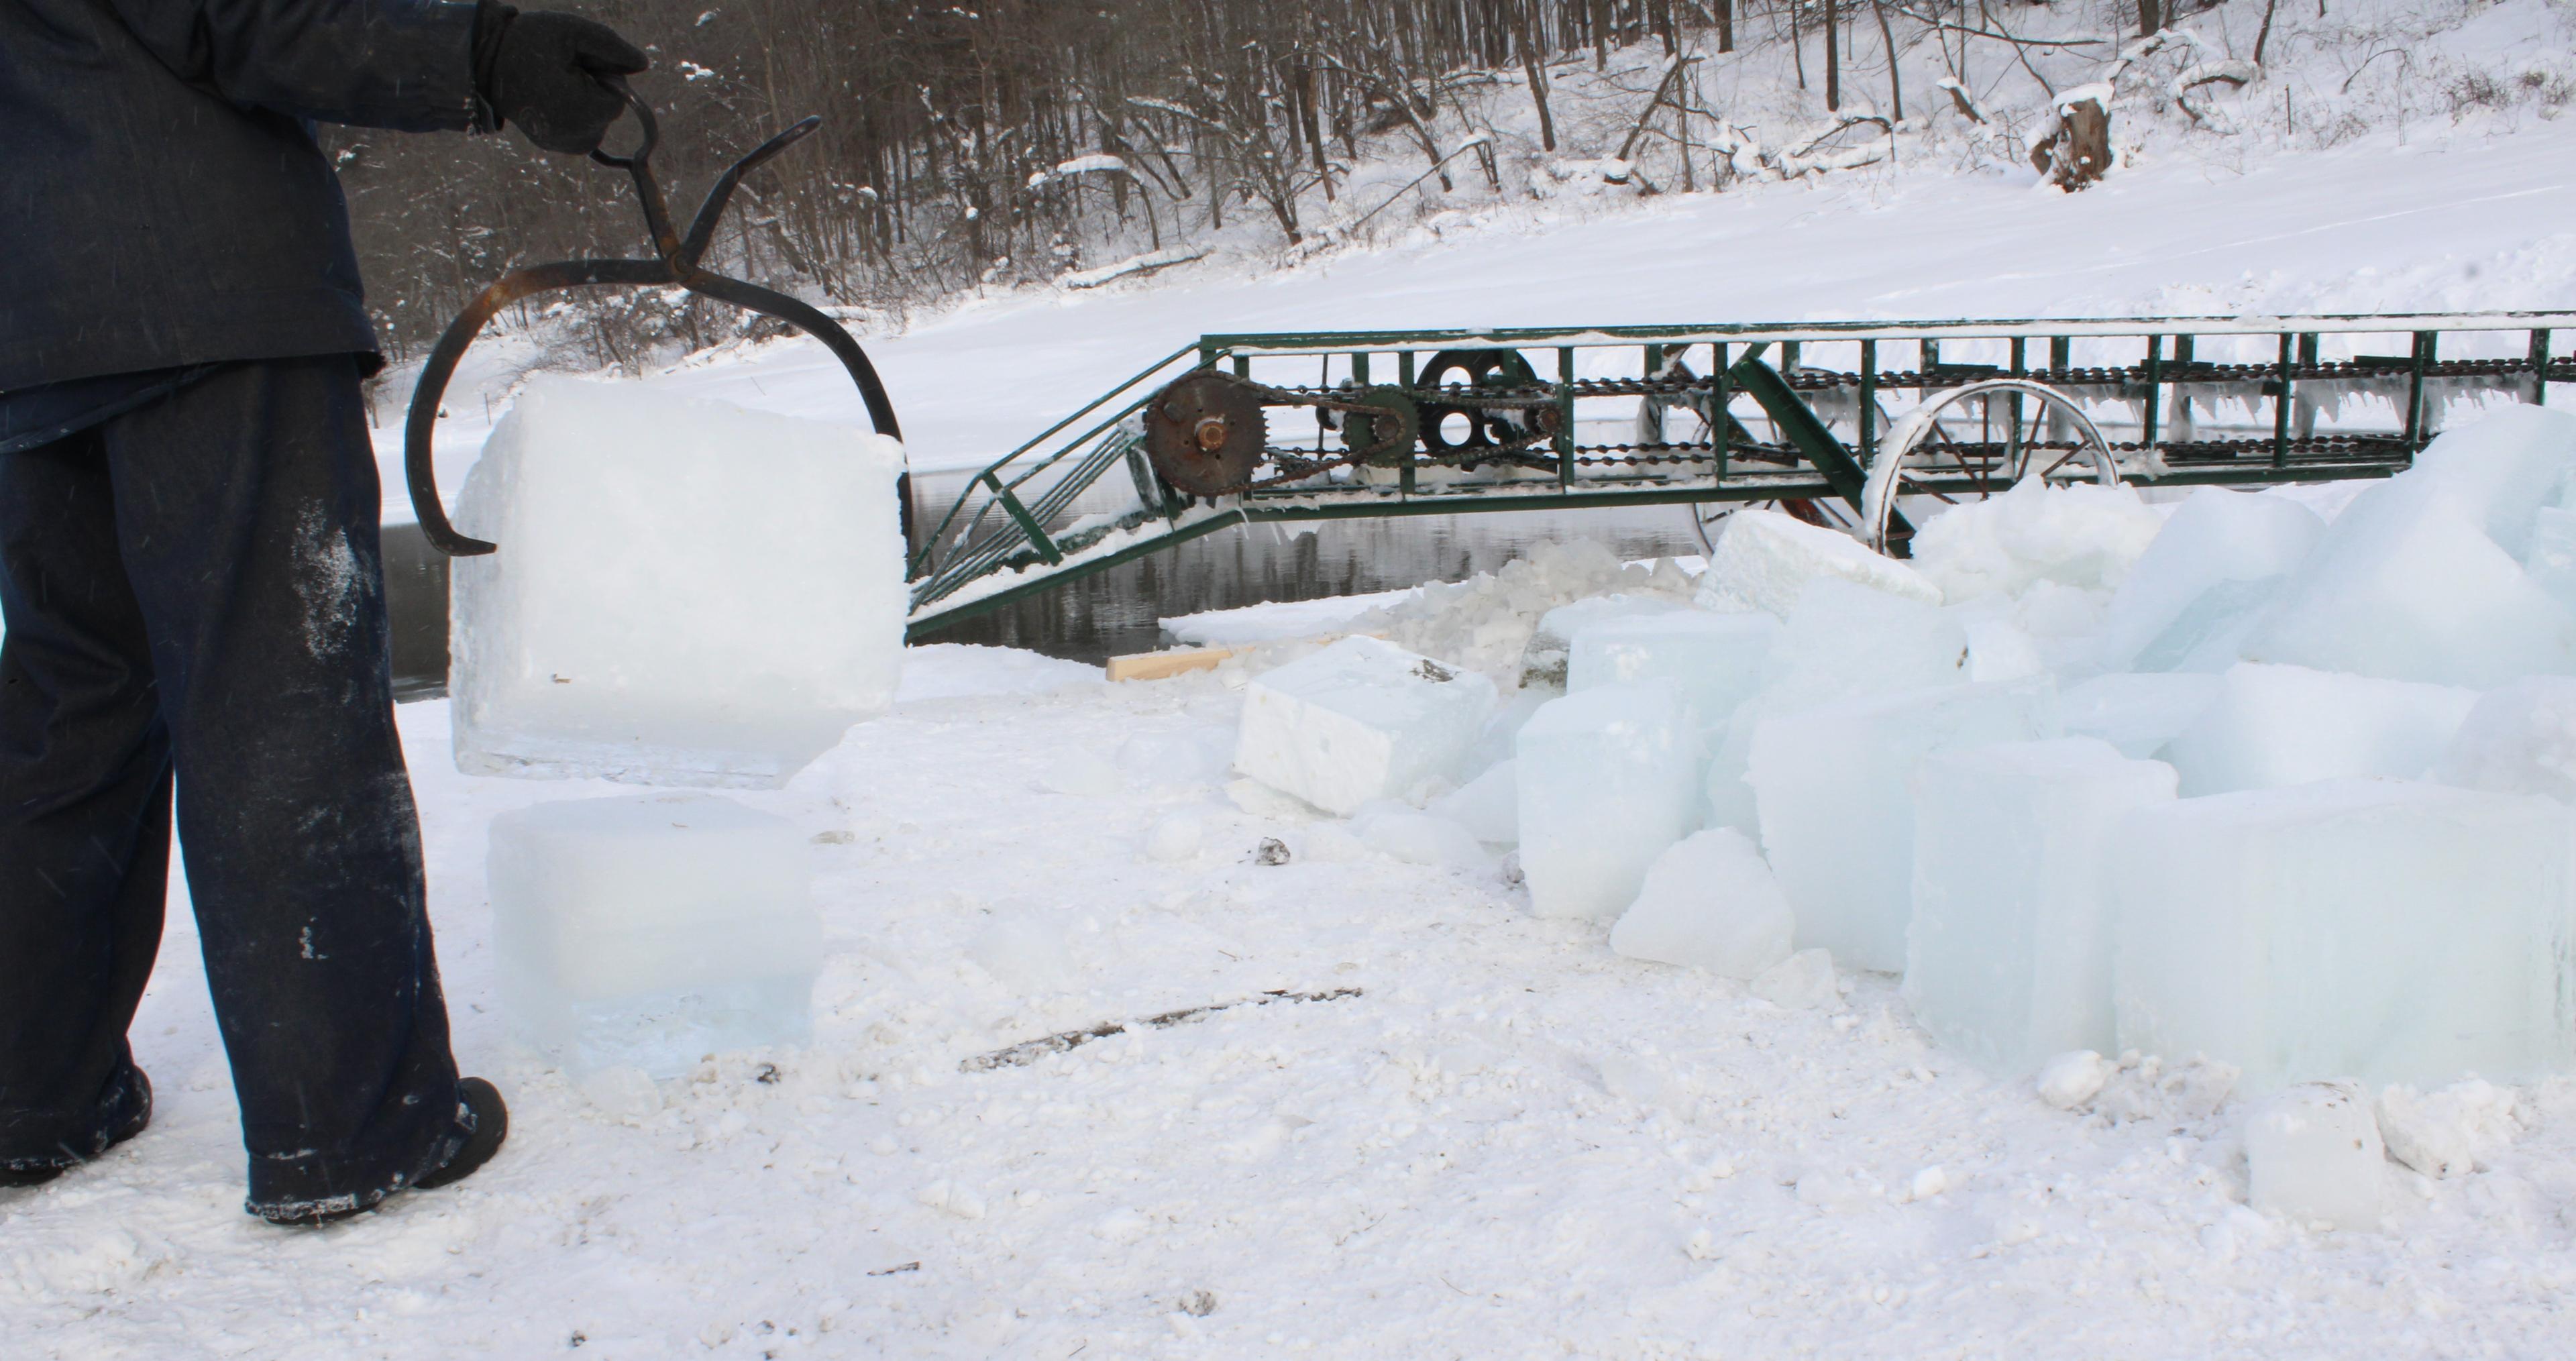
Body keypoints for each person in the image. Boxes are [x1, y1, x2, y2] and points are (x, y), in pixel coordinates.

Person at [0, 0, 645, 1226]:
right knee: (278, 692)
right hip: (204, 293)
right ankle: (352, 1126)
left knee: (74, 702)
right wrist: (482, 54)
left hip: (29, 320)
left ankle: (30, 1094)